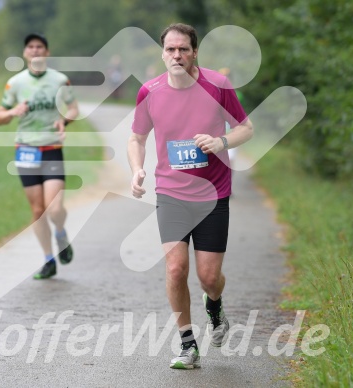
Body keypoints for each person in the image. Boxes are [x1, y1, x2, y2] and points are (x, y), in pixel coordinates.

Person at [127, 23, 253, 369]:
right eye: (170, 49)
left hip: (213, 193)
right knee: (175, 268)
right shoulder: (149, 91)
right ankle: (187, 345)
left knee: (209, 278)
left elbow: (246, 127)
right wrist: (137, 169)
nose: (177, 55)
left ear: (195, 52)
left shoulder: (217, 85)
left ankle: (215, 305)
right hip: (171, 193)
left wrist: (222, 142)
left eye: (183, 49)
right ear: (162, 53)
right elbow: (136, 138)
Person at [0, 33, 79, 279]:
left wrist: (64, 120)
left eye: (39, 47)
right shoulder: (15, 83)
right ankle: (48, 259)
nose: (35, 51)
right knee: (37, 210)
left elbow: (73, 108)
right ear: (25, 53)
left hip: (52, 149)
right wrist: (13, 111)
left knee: (54, 210)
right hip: (26, 151)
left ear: (47, 52)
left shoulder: (60, 80)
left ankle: (61, 234)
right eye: (30, 47)